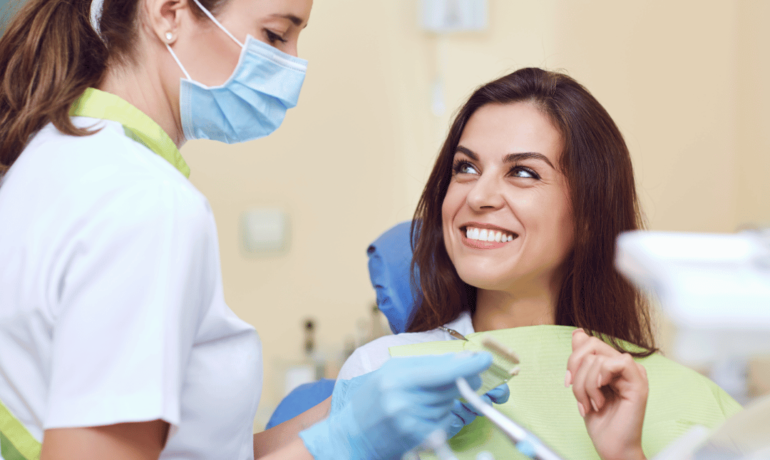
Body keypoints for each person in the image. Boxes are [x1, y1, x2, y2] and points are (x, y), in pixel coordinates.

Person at [0, 0, 507, 459]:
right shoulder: (146, 204)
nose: (292, 68)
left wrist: (344, 411)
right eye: (275, 36)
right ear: (169, 13)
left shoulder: (60, 159)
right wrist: (343, 445)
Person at [338, 68, 742, 460]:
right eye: (466, 167)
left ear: (587, 217)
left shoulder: (695, 405)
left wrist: (623, 455)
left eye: (523, 172)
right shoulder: (380, 373)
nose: (478, 196)